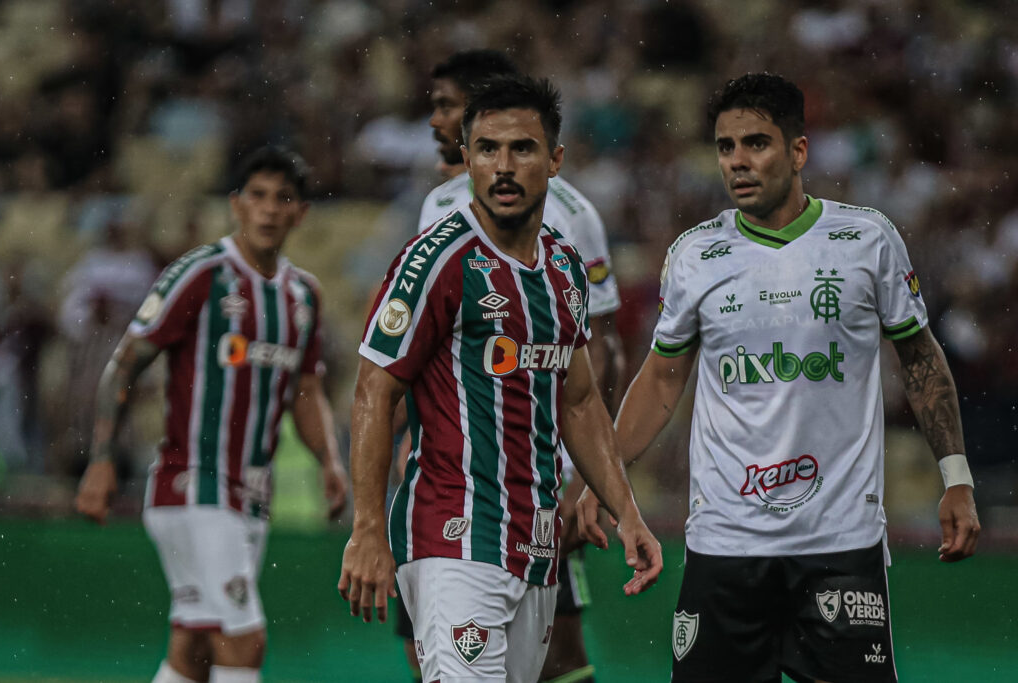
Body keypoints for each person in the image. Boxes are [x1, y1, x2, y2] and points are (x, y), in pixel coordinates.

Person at [578, 73, 980, 683]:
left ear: (798, 151)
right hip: (726, 544)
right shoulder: (695, 254)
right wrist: (603, 479)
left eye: (756, 143)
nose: (738, 161)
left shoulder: (866, 240)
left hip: (839, 542)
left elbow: (920, 359)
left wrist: (956, 477)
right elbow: (661, 381)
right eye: (725, 146)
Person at [339, 74, 662, 683]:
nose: (503, 166)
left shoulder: (565, 266)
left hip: (535, 543)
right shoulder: (435, 259)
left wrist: (627, 511)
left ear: (555, 159)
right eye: (487, 149)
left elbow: (582, 400)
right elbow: (373, 391)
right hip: (453, 535)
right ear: (466, 161)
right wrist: (366, 529)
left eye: (522, 148)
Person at [75, 146, 348, 683]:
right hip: (191, 484)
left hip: (250, 495)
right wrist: (102, 458)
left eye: (283, 198)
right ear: (236, 206)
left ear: (301, 213)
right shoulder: (201, 274)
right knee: (244, 640)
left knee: (194, 651)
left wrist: (330, 461)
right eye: (258, 196)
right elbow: (125, 362)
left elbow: (305, 390)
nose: (270, 210)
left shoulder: (303, 295)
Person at [412, 48, 624, 683]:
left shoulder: (571, 218)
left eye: (448, 106)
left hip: (540, 477)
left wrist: (584, 472)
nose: (436, 122)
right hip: (450, 475)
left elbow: (598, 347)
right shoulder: (438, 209)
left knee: (558, 644)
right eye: (438, 109)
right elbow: (418, 351)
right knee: (437, 639)